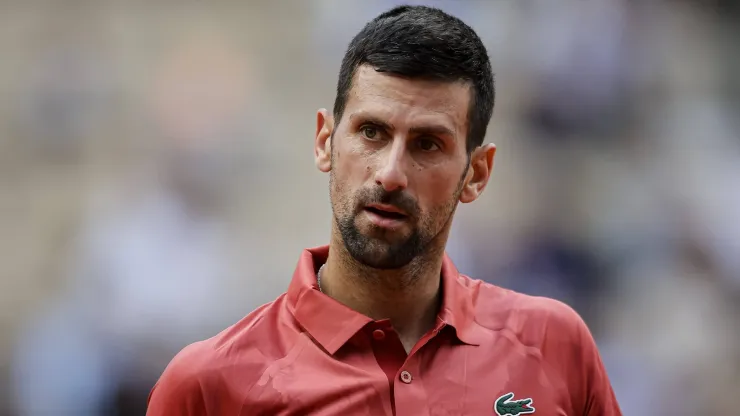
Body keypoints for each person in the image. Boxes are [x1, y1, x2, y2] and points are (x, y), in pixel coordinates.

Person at [146, 5, 622, 415]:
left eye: (428, 143)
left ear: (477, 173)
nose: (391, 173)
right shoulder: (209, 386)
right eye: (372, 132)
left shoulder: (555, 346)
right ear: (325, 141)